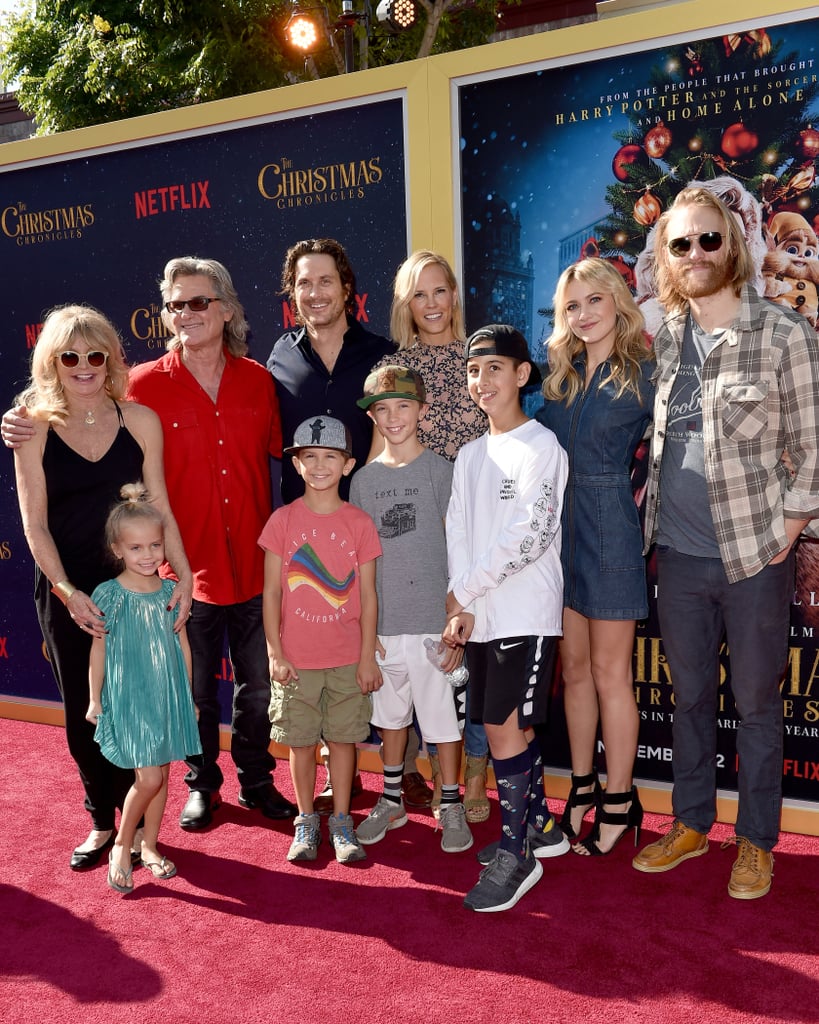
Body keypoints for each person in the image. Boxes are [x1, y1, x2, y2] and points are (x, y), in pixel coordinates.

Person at [633, 187, 819, 899]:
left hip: (751, 559)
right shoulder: (667, 337)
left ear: (732, 246)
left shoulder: (782, 333)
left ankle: (755, 843)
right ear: (667, 257)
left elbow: (811, 445)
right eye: (680, 244)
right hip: (676, 558)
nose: (696, 254)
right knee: (684, 701)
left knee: (755, 704)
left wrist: (789, 533)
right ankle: (688, 824)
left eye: (709, 240)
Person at [11, 304, 192, 870]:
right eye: (70, 356)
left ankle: (140, 832)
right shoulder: (33, 427)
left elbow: (159, 503)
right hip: (70, 592)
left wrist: (182, 574)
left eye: (95, 355)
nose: (84, 366)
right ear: (52, 363)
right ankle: (100, 820)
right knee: (85, 711)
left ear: (111, 359)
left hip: (139, 586)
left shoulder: (140, 420)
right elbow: (34, 524)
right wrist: (66, 591)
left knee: (142, 704)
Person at [128, 257, 296, 829]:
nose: (186, 314)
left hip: (255, 568)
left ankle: (256, 780)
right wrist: (26, 418)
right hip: (183, 573)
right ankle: (204, 786)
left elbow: (296, 459)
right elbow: (81, 418)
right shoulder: (141, 385)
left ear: (225, 310)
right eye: (175, 304)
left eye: (198, 302)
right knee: (196, 696)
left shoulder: (258, 380)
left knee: (256, 690)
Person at [444, 324, 569, 913]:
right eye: (473, 369)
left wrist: (466, 590)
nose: (482, 380)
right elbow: (458, 532)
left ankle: (517, 855)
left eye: (494, 368)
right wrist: (461, 601)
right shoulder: (470, 454)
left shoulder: (542, 446)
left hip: (525, 613)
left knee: (500, 729)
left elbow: (532, 534)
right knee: (506, 728)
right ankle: (541, 827)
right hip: (482, 616)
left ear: (522, 375)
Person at [537, 257, 654, 855]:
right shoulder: (560, 377)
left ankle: (619, 796)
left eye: (594, 302)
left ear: (617, 302)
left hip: (610, 527)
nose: (583, 315)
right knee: (574, 672)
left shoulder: (646, 372)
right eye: (571, 307)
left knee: (612, 675)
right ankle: (579, 789)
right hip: (561, 533)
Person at [373, 250, 492, 821]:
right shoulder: (397, 368)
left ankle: (474, 775)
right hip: (417, 532)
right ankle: (414, 775)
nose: (432, 304)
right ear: (406, 305)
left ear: (454, 296)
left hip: (475, 526)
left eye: (440, 291)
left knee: (475, 653)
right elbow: (384, 450)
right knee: (422, 655)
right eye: (419, 295)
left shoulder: (479, 360)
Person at [350, 364, 473, 854]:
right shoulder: (362, 480)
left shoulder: (443, 471)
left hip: (431, 626)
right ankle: (393, 797)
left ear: (423, 410)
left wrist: (455, 620)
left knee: (443, 722)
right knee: (391, 719)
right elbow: (360, 562)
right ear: (373, 417)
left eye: (403, 405)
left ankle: (451, 801)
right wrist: (366, 626)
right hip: (384, 627)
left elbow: (460, 549)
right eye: (382, 408)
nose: (393, 416)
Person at [259, 416, 382, 864]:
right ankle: (307, 820)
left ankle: (343, 820)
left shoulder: (359, 523)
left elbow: (368, 595)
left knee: (345, 740)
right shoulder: (282, 521)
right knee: (301, 741)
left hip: (347, 658)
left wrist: (366, 657)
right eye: (309, 457)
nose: (319, 465)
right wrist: (275, 651)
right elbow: (271, 593)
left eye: (329, 456)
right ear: (296, 465)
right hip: (296, 659)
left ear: (347, 465)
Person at [86, 484, 201, 894]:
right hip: (130, 697)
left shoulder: (172, 593)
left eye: (155, 544)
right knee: (149, 777)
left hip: (167, 693)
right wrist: (96, 698)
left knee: (163, 772)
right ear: (117, 548)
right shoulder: (109, 595)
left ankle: (149, 846)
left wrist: (187, 696)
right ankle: (122, 843)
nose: (148, 554)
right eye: (136, 548)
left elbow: (183, 646)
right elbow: (98, 651)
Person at [268, 237, 395, 504]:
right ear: (293, 292)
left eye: (326, 281)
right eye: (304, 283)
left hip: (368, 521)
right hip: (301, 529)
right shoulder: (281, 356)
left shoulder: (382, 355)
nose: (315, 294)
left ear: (346, 289)